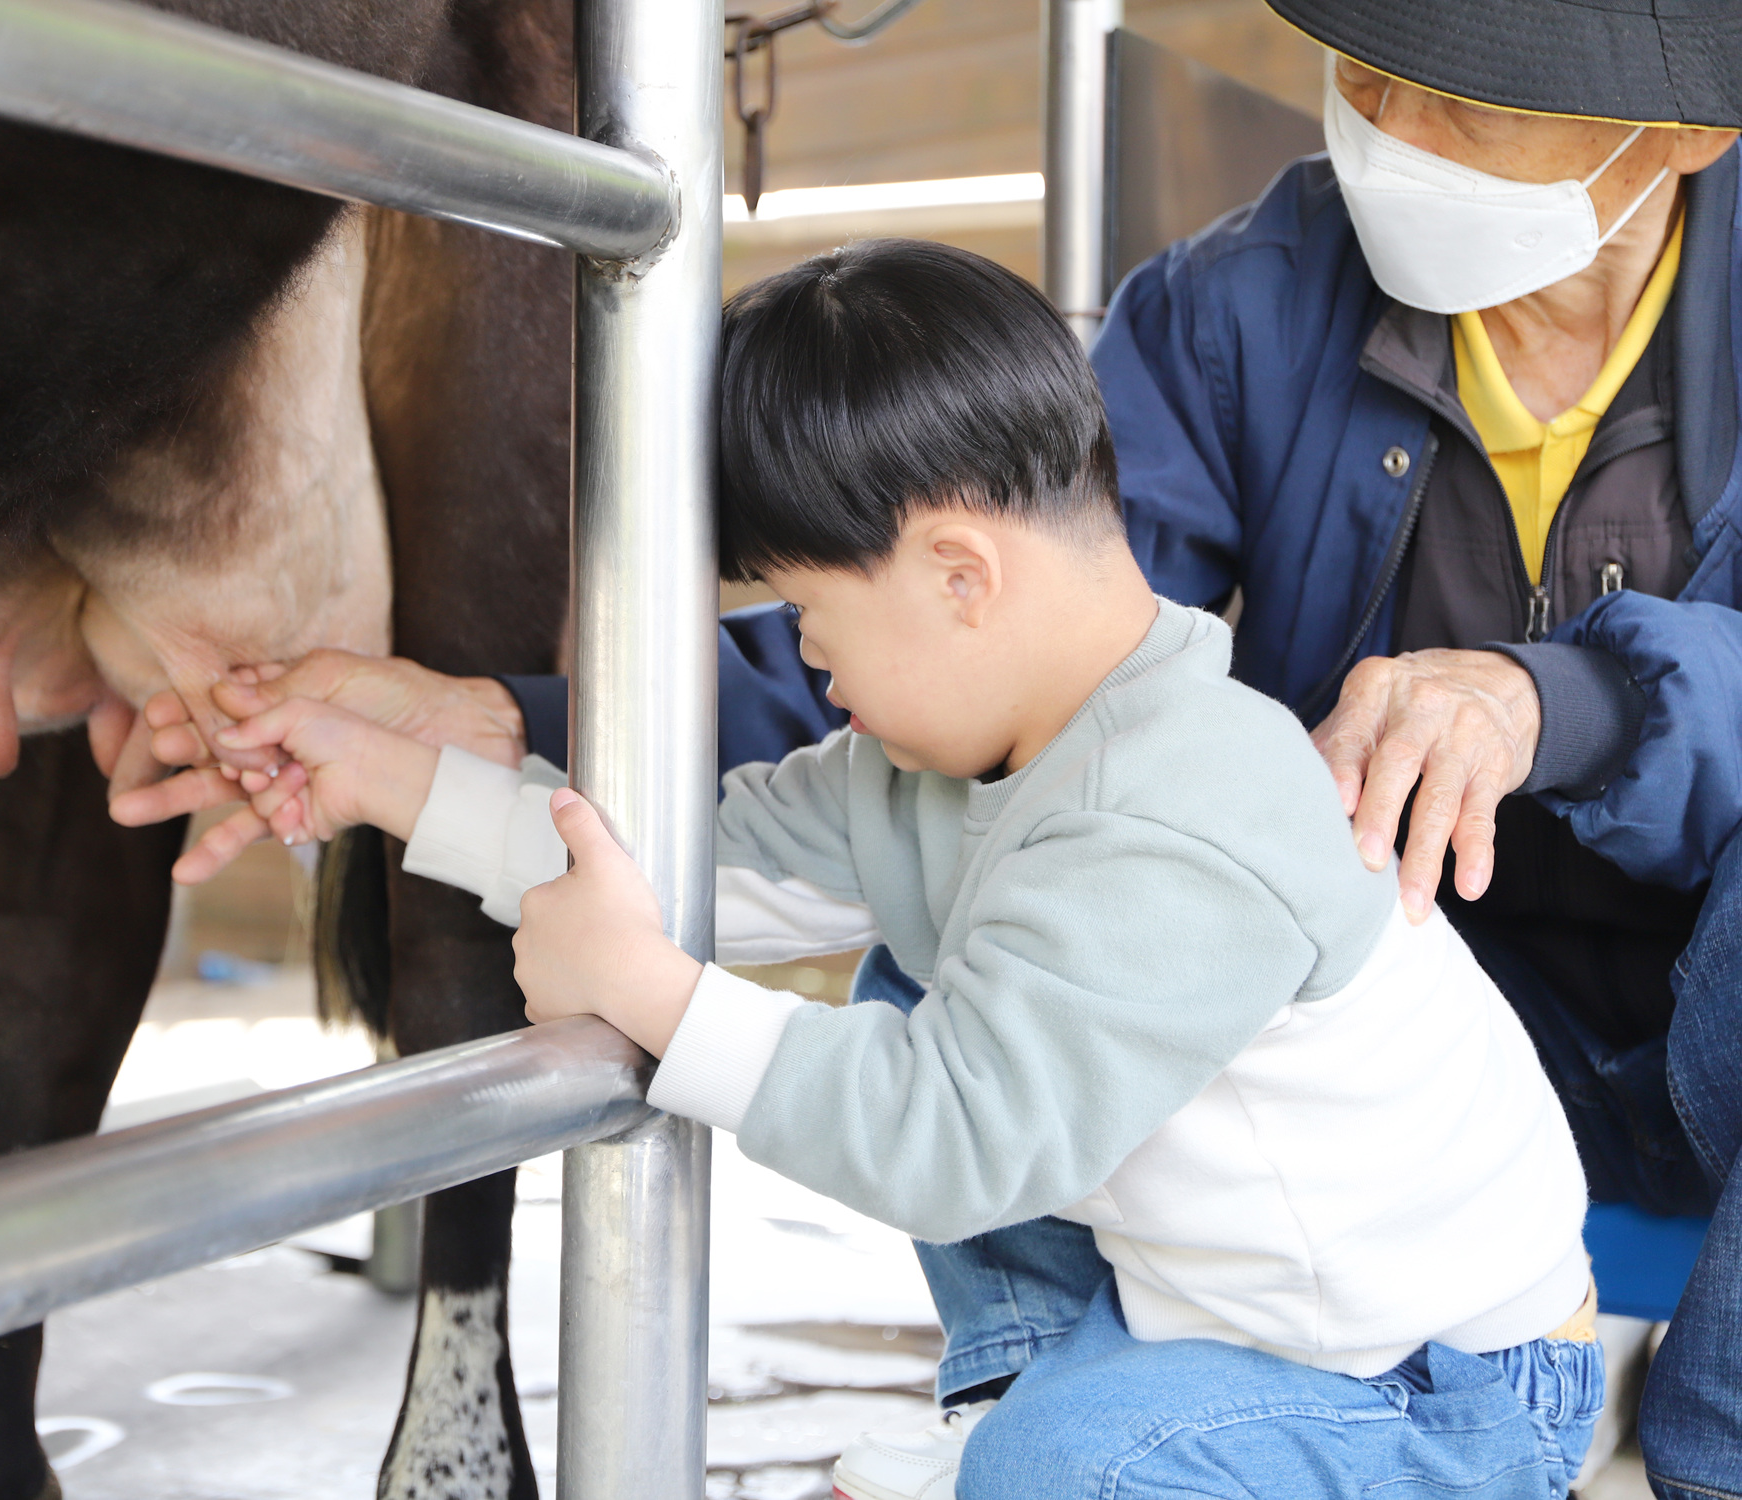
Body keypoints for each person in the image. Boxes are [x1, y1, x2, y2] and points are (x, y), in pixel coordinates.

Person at [115, 5, 1742, 1493]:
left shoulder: (1178, 806)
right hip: (1293, 1233)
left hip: (1430, 1366)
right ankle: (1038, 1393)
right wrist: (407, 773)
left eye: (1454, 97)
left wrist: (657, 1000)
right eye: (1366, 69)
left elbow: (941, 1127)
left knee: (1063, 1467)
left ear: (1684, 136)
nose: (1378, 121)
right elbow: (692, 848)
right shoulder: (1004, 672)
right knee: (939, 973)